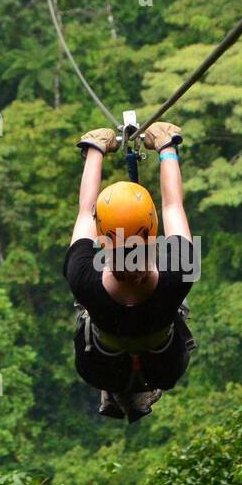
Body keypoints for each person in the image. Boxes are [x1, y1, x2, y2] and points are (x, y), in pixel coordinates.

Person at [64, 121, 197, 422]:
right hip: (165, 365)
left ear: (101, 237)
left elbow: (86, 211)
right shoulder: (179, 271)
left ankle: (117, 386)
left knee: (87, 310)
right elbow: (173, 207)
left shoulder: (82, 275)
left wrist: (95, 149)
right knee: (178, 306)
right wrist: (166, 147)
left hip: (98, 366)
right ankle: (139, 386)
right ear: (152, 232)